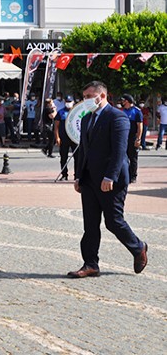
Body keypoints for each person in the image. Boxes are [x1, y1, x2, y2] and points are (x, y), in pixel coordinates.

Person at [69, 81, 147, 278]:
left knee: (113, 221)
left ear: (102, 96)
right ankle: (90, 264)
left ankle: (138, 248)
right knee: (90, 224)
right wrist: (79, 176)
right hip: (89, 180)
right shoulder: (87, 119)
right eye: (84, 96)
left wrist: (109, 176)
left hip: (112, 180)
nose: (85, 101)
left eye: (88, 96)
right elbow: (83, 151)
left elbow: (120, 151)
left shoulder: (118, 118)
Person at [53, 96, 77, 181]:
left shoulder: (77, 112)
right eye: (67, 101)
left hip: (75, 138)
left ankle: (77, 175)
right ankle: (64, 174)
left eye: (70, 101)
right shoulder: (61, 112)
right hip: (64, 138)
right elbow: (56, 126)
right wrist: (57, 137)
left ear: (73, 102)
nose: (68, 103)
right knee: (63, 157)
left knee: (77, 158)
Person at [121, 94, 142, 183]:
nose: (122, 102)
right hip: (124, 137)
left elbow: (140, 126)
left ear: (127, 101)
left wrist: (138, 139)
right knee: (123, 157)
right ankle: (125, 175)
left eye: (123, 100)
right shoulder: (123, 111)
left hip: (132, 137)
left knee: (132, 158)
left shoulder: (136, 111)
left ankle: (133, 176)